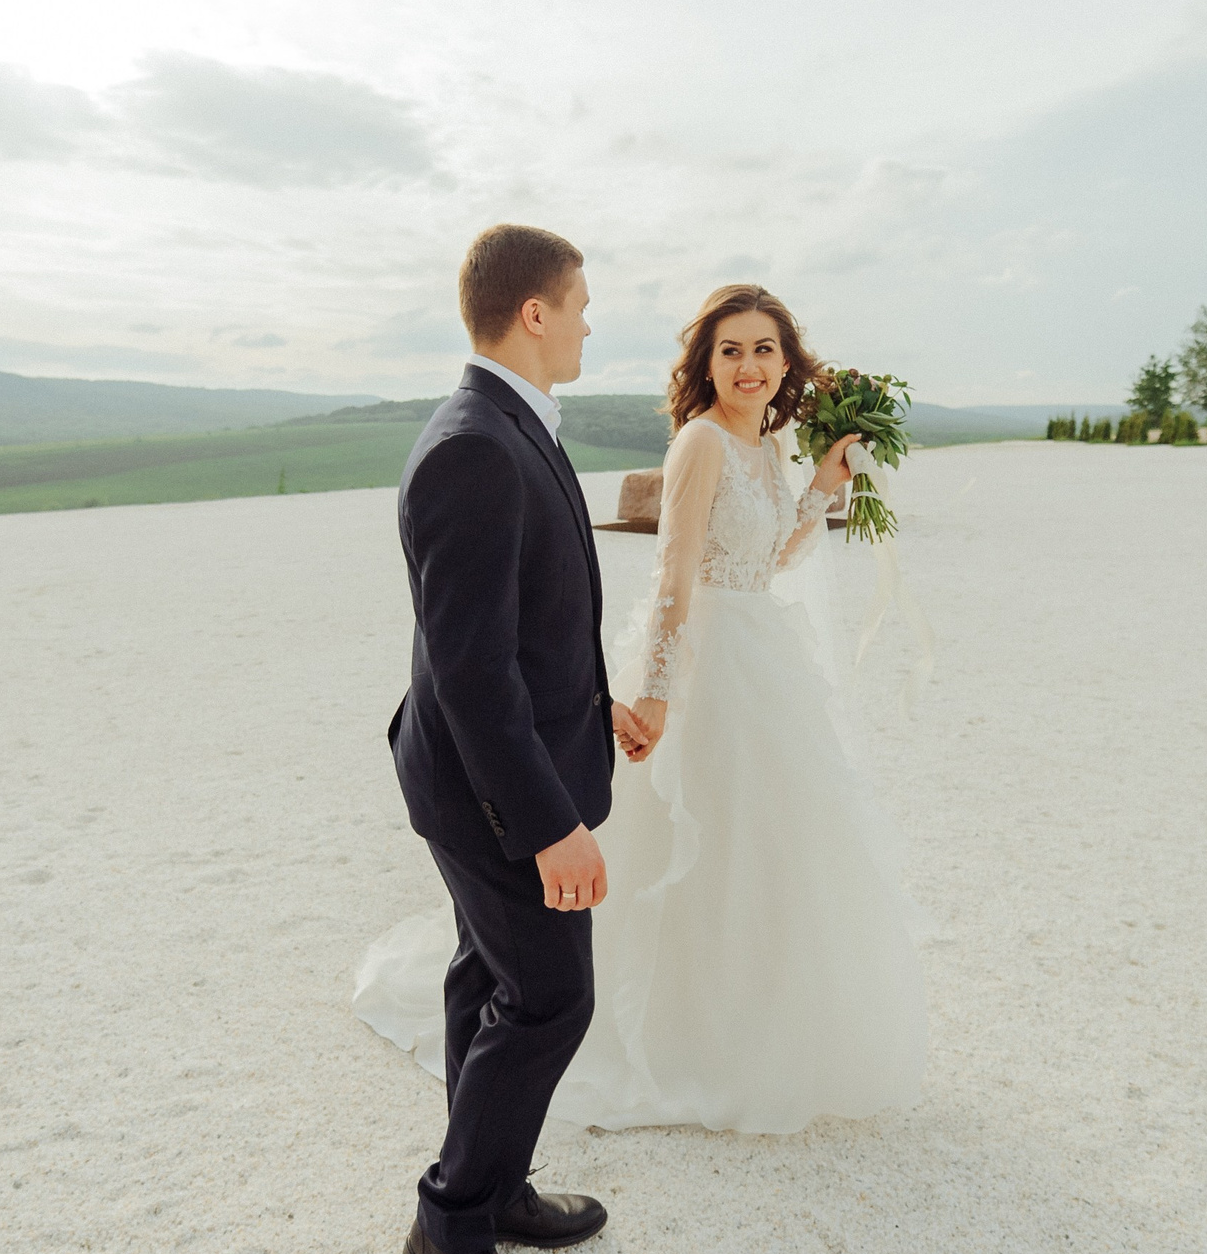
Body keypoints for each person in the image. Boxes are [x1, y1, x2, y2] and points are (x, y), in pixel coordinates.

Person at [360, 281, 927, 1142]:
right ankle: (666, 1032)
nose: (749, 366)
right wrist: (658, 692)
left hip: (762, 657)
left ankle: (757, 1021)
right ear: (705, 362)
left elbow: (766, 559)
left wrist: (818, 486)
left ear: (788, 362)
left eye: (765, 350)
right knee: (690, 845)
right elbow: (675, 575)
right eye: (730, 350)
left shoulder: (767, 445)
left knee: (770, 847)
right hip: (704, 667)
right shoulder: (699, 443)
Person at [382, 223, 652, 1254]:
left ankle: (488, 1190)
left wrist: (599, 710)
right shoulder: (474, 448)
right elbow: (471, 671)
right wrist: (548, 827)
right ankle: (449, 1227)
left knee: (485, 976)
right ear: (532, 313)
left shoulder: (508, 426)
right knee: (548, 999)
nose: (590, 320)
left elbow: (526, 632)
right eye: (579, 302)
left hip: (488, 770)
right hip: (491, 793)